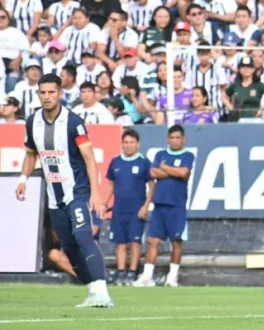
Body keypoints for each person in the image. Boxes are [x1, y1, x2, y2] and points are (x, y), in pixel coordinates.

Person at [15, 73, 113, 308]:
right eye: (43, 92)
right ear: (38, 94)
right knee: (68, 246)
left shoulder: (73, 122)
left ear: (60, 93)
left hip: (77, 191)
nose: (47, 97)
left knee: (82, 236)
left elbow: (90, 159)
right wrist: (23, 179)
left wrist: (96, 193)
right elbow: (31, 154)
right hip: (54, 196)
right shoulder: (32, 121)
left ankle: (102, 291)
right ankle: (92, 292)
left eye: (51, 92)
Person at [133, 125, 195, 288]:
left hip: (177, 205)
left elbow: (184, 173)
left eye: (177, 138)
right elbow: (153, 173)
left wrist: (165, 168)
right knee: (152, 240)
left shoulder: (188, 155)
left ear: (183, 139)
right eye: (171, 138)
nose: (174, 141)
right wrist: (174, 172)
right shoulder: (160, 154)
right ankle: (147, 277)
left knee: (176, 241)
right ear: (168, 139)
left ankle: (172, 277)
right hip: (159, 204)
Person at [103, 129, 154, 286]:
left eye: (132, 142)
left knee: (135, 242)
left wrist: (145, 206)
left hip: (136, 210)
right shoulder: (116, 162)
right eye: (126, 142)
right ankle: (121, 273)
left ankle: (132, 273)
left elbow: (152, 186)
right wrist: (105, 203)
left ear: (138, 144)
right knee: (120, 243)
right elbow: (110, 183)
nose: (128, 145)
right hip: (119, 209)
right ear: (122, 144)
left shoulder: (144, 162)